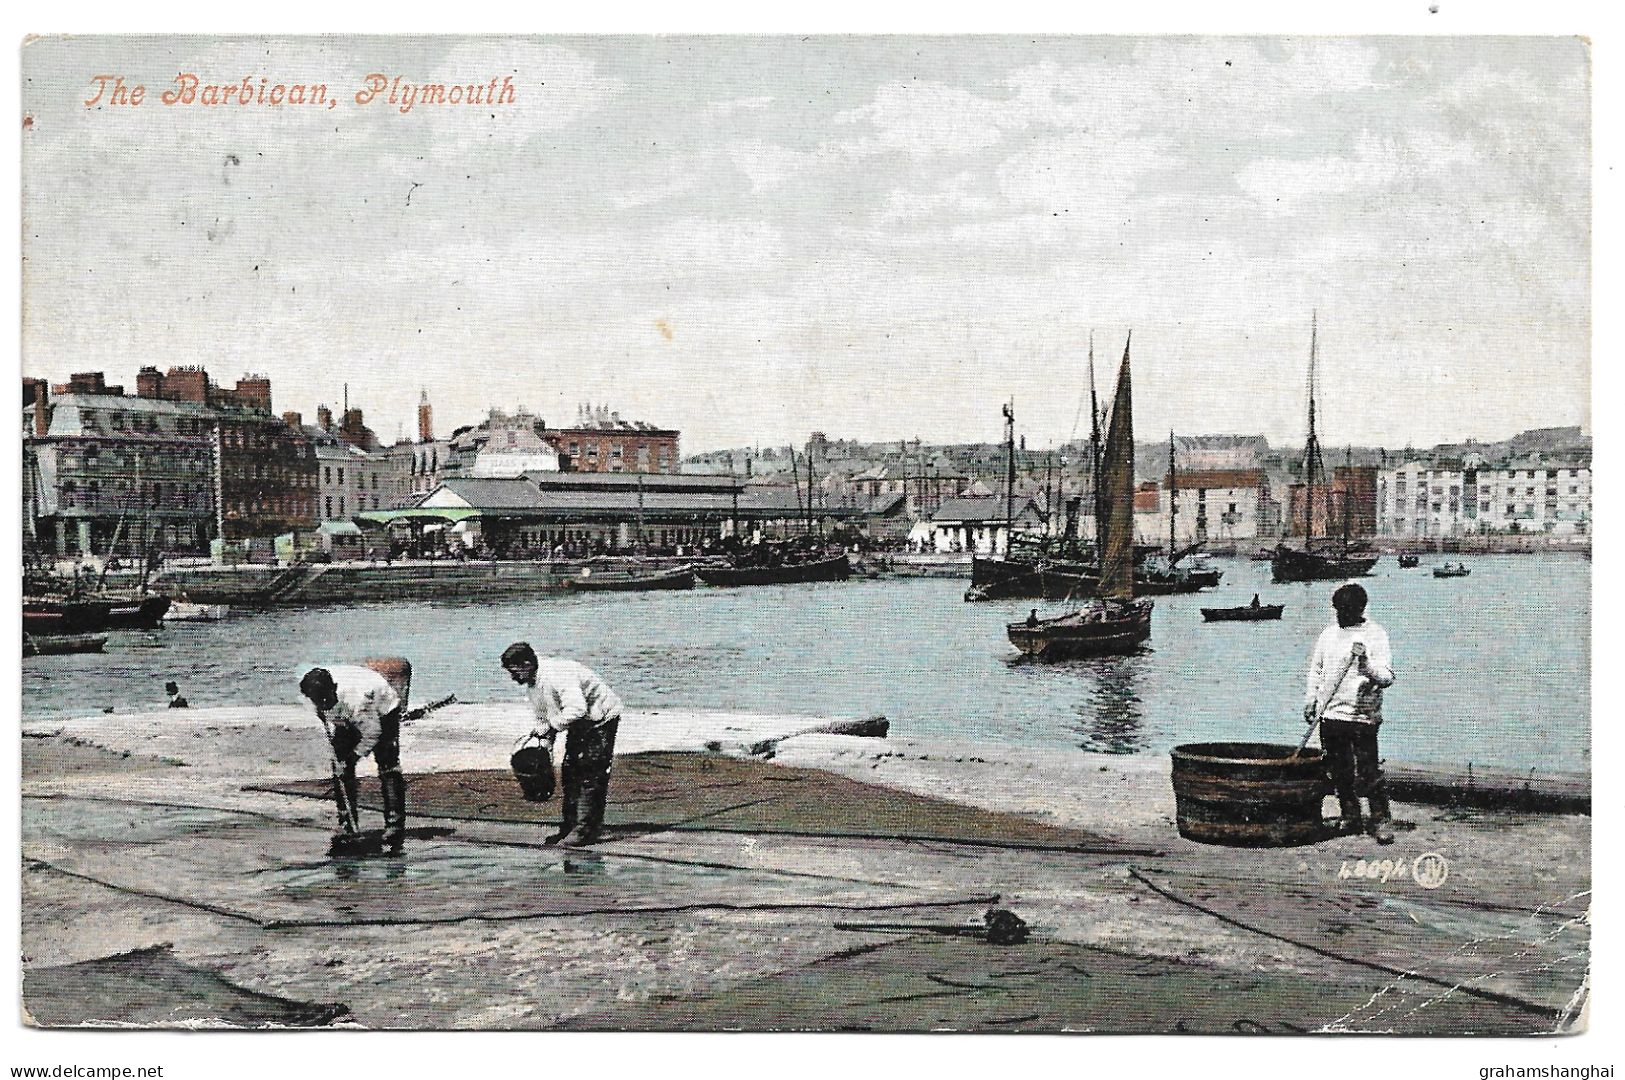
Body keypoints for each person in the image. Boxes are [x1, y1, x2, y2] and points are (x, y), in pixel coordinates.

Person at [500, 642, 624, 848]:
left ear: (527, 664)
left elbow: (577, 709)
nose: (513, 678)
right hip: (578, 722)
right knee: (570, 773)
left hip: (600, 719)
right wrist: (544, 747)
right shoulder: (533, 684)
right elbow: (543, 718)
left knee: (590, 773)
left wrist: (550, 727)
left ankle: (585, 830)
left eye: (514, 672)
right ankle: (569, 827)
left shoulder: (557, 675)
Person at [1304, 582, 1397, 844]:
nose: (1340, 615)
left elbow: (1387, 677)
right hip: (1330, 714)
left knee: (1368, 771)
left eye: (1345, 610)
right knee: (1338, 770)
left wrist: (1365, 663)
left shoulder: (1376, 634)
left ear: (1359, 609)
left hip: (1362, 717)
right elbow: (1316, 670)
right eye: (1337, 610)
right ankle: (1350, 816)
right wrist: (1311, 699)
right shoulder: (1328, 634)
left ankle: (1380, 819)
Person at [300, 665, 408, 854]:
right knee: (339, 767)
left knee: (388, 766)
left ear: (334, 688)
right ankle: (347, 822)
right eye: (319, 701)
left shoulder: (357, 700)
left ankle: (395, 826)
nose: (323, 703)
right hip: (348, 714)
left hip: (383, 709)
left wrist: (353, 756)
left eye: (326, 699)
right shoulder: (315, 694)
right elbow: (328, 714)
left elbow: (372, 734)